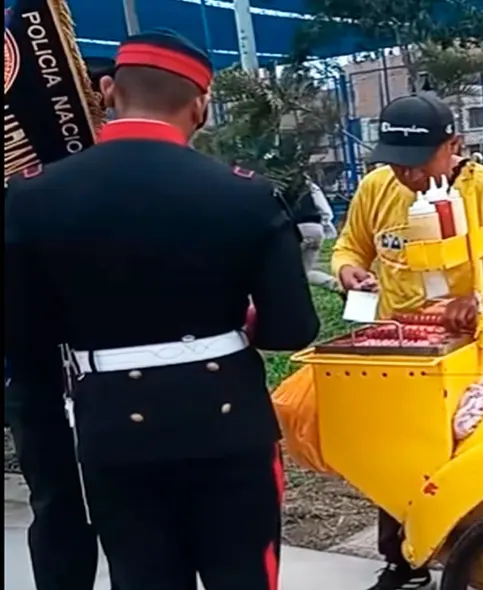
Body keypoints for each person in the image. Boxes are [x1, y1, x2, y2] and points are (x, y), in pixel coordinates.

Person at [3, 28, 320, 590]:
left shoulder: (32, 196)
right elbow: (293, 327)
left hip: (113, 426)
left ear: (107, 91)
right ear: (200, 105)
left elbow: (25, 337)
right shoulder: (244, 194)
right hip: (227, 425)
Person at [332, 93, 483, 590]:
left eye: (418, 163)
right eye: (396, 164)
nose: (407, 176)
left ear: (454, 144)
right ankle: (404, 558)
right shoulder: (376, 189)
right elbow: (350, 244)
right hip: (402, 346)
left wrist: (482, 296)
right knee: (397, 452)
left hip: (472, 349)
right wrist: (349, 270)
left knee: (467, 454)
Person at [2, 58, 120, 590]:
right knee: (58, 507)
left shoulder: (127, 180)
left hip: (115, 379)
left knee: (130, 518)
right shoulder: (23, 194)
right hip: (43, 378)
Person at [290, 175, 337, 289]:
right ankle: (336, 285)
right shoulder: (308, 184)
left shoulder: (274, 185)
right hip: (315, 229)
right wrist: (324, 227)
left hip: (293, 230)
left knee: (285, 272)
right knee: (304, 272)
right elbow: (325, 210)